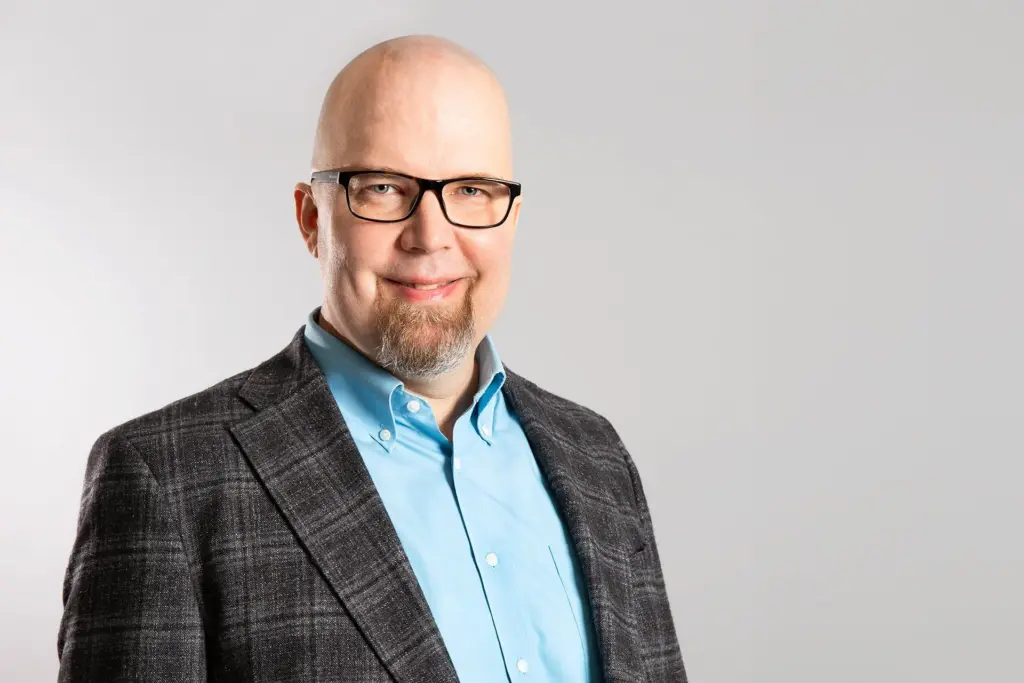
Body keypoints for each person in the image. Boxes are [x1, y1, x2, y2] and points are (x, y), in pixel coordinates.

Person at [58, 34, 686, 683]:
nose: (431, 237)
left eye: (472, 190)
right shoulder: (168, 479)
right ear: (311, 218)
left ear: (512, 218)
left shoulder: (596, 457)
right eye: (383, 187)